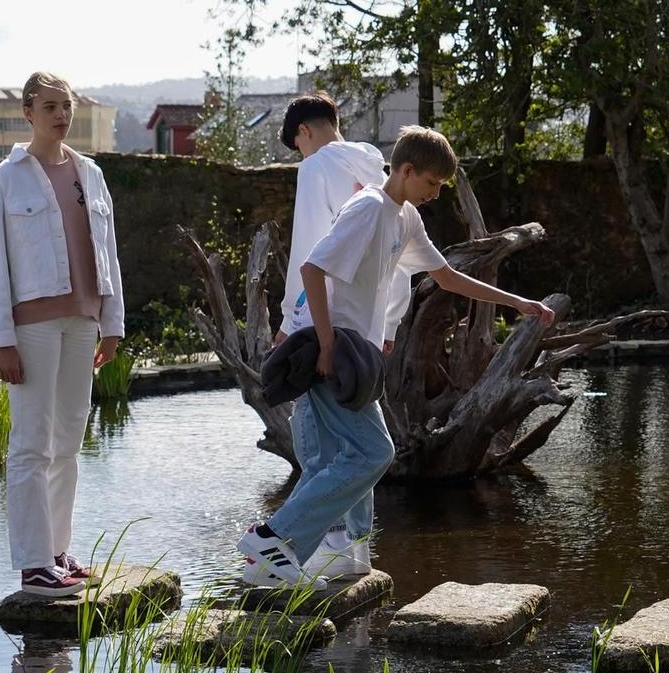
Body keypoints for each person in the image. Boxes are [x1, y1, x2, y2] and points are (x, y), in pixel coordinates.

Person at [237, 126, 556, 588]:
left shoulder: (404, 216)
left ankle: (333, 552)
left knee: (348, 455)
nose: (436, 194)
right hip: (333, 352)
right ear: (406, 170)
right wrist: (325, 344)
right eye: (432, 184)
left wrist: (518, 303)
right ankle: (273, 538)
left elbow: (446, 276)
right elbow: (311, 267)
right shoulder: (368, 207)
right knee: (375, 452)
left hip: (356, 354)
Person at [0, 72, 125, 598]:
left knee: (68, 442)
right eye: (50, 107)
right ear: (28, 112)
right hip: (31, 327)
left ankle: (58, 553)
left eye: (66, 106)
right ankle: (34, 563)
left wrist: (113, 324)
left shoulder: (91, 174)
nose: (60, 115)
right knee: (30, 445)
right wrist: (3, 341)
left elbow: (108, 253)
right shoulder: (6, 178)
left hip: (84, 322)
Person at [276, 92, 401, 578]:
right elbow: (396, 256)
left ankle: (317, 550)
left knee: (315, 442)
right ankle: (357, 550)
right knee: (357, 444)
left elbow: (308, 251)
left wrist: (291, 321)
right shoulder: (377, 168)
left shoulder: (314, 168)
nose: (301, 154)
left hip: (322, 322)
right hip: (366, 325)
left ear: (303, 132)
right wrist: (388, 322)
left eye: (298, 146)